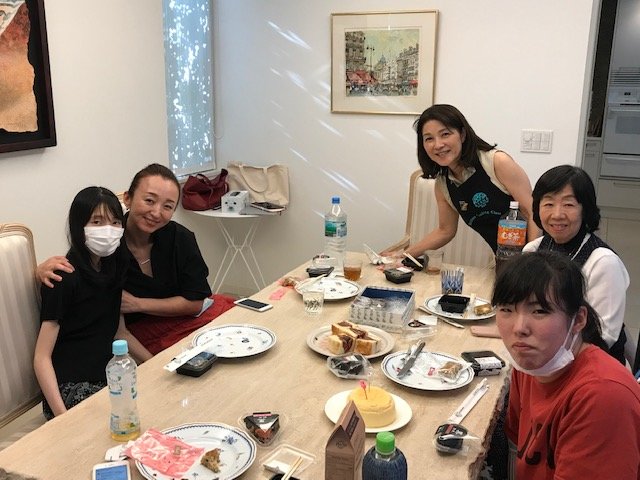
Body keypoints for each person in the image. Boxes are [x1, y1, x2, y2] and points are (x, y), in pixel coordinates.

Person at [37, 164, 236, 358]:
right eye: (149, 201)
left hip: (184, 319)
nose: (156, 213)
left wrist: (138, 304)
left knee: (231, 321)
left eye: (167, 206)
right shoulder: (107, 241)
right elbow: (79, 271)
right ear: (128, 198)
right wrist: (37, 271)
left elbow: (196, 302)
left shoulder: (180, 238)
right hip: (134, 336)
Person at [493, 251, 640, 479]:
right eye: (506, 310)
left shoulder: (603, 395)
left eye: (539, 311)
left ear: (578, 319)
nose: (519, 328)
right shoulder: (531, 364)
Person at [382, 104, 539, 258]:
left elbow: (532, 211)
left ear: (462, 135)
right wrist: (403, 255)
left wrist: (531, 260)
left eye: (445, 134)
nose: (438, 145)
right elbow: (445, 231)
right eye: (429, 138)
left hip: (539, 255)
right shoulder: (443, 184)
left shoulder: (496, 162)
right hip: (505, 259)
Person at [33, 187, 130, 419]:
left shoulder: (113, 270)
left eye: (115, 222)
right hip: (68, 387)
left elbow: (120, 333)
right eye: (97, 222)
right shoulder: (62, 276)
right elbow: (41, 358)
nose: (108, 230)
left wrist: (155, 363)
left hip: (106, 377)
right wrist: (62, 418)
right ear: (78, 226)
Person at [523, 165, 629, 364]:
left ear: (585, 210)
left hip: (590, 366)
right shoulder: (532, 250)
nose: (557, 214)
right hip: (539, 356)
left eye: (568, 205)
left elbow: (602, 338)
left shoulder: (603, 263)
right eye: (548, 204)